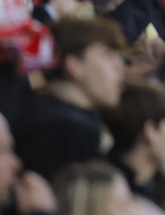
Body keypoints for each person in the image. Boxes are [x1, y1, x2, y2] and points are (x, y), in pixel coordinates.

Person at [13, 19, 127, 181]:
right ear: (74, 65)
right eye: (108, 55)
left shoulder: (72, 117)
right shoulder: (63, 128)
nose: (120, 66)